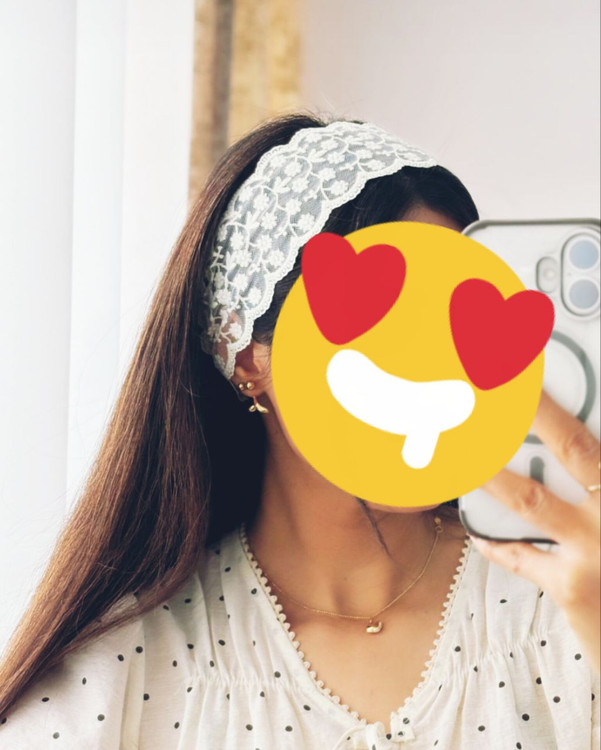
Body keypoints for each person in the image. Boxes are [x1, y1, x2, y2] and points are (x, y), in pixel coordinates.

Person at [0, 113, 599, 750]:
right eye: (395, 320)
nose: (439, 361)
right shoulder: (125, 673)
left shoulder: (565, 606)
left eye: (457, 309)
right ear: (247, 358)